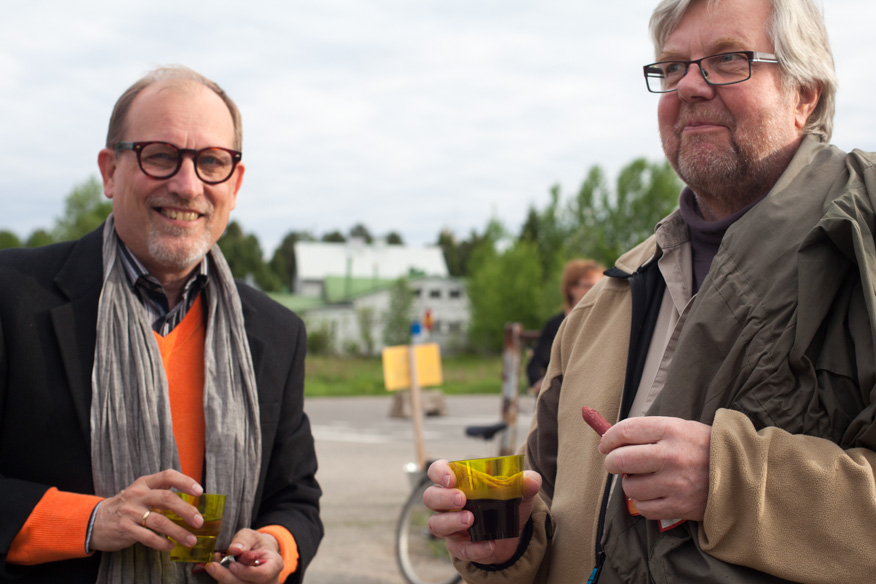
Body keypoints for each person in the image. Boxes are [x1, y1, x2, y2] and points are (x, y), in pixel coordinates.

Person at [425, 0, 876, 582]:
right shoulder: (603, 304)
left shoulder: (860, 242)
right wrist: (511, 545)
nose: (689, 85)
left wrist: (729, 482)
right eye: (672, 67)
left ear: (804, 95)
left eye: (727, 60)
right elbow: (552, 504)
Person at [0, 66, 322, 584]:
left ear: (235, 184)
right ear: (110, 171)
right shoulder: (12, 296)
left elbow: (296, 498)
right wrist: (89, 521)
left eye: (211, 161)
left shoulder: (277, 332)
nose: (188, 184)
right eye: (160, 155)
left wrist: (277, 547)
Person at [525, 259, 604, 393]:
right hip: (562, 393)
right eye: (589, 285)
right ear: (572, 289)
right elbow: (536, 365)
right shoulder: (555, 325)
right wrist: (543, 384)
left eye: (600, 286)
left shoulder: (603, 323)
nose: (597, 291)